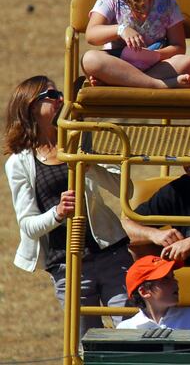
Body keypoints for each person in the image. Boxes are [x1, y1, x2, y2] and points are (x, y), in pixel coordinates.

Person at [4, 76, 132, 338]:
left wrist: (90, 162)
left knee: (130, 333)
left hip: (111, 255)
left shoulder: (83, 140)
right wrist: (58, 213)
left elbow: (124, 189)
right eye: (50, 95)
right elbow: (28, 225)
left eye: (60, 93)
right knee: (86, 345)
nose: (60, 99)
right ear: (30, 107)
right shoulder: (19, 163)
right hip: (67, 266)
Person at [117, 255, 190, 329]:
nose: (175, 282)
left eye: (173, 276)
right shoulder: (126, 328)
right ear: (144, 292)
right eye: (165, 279)